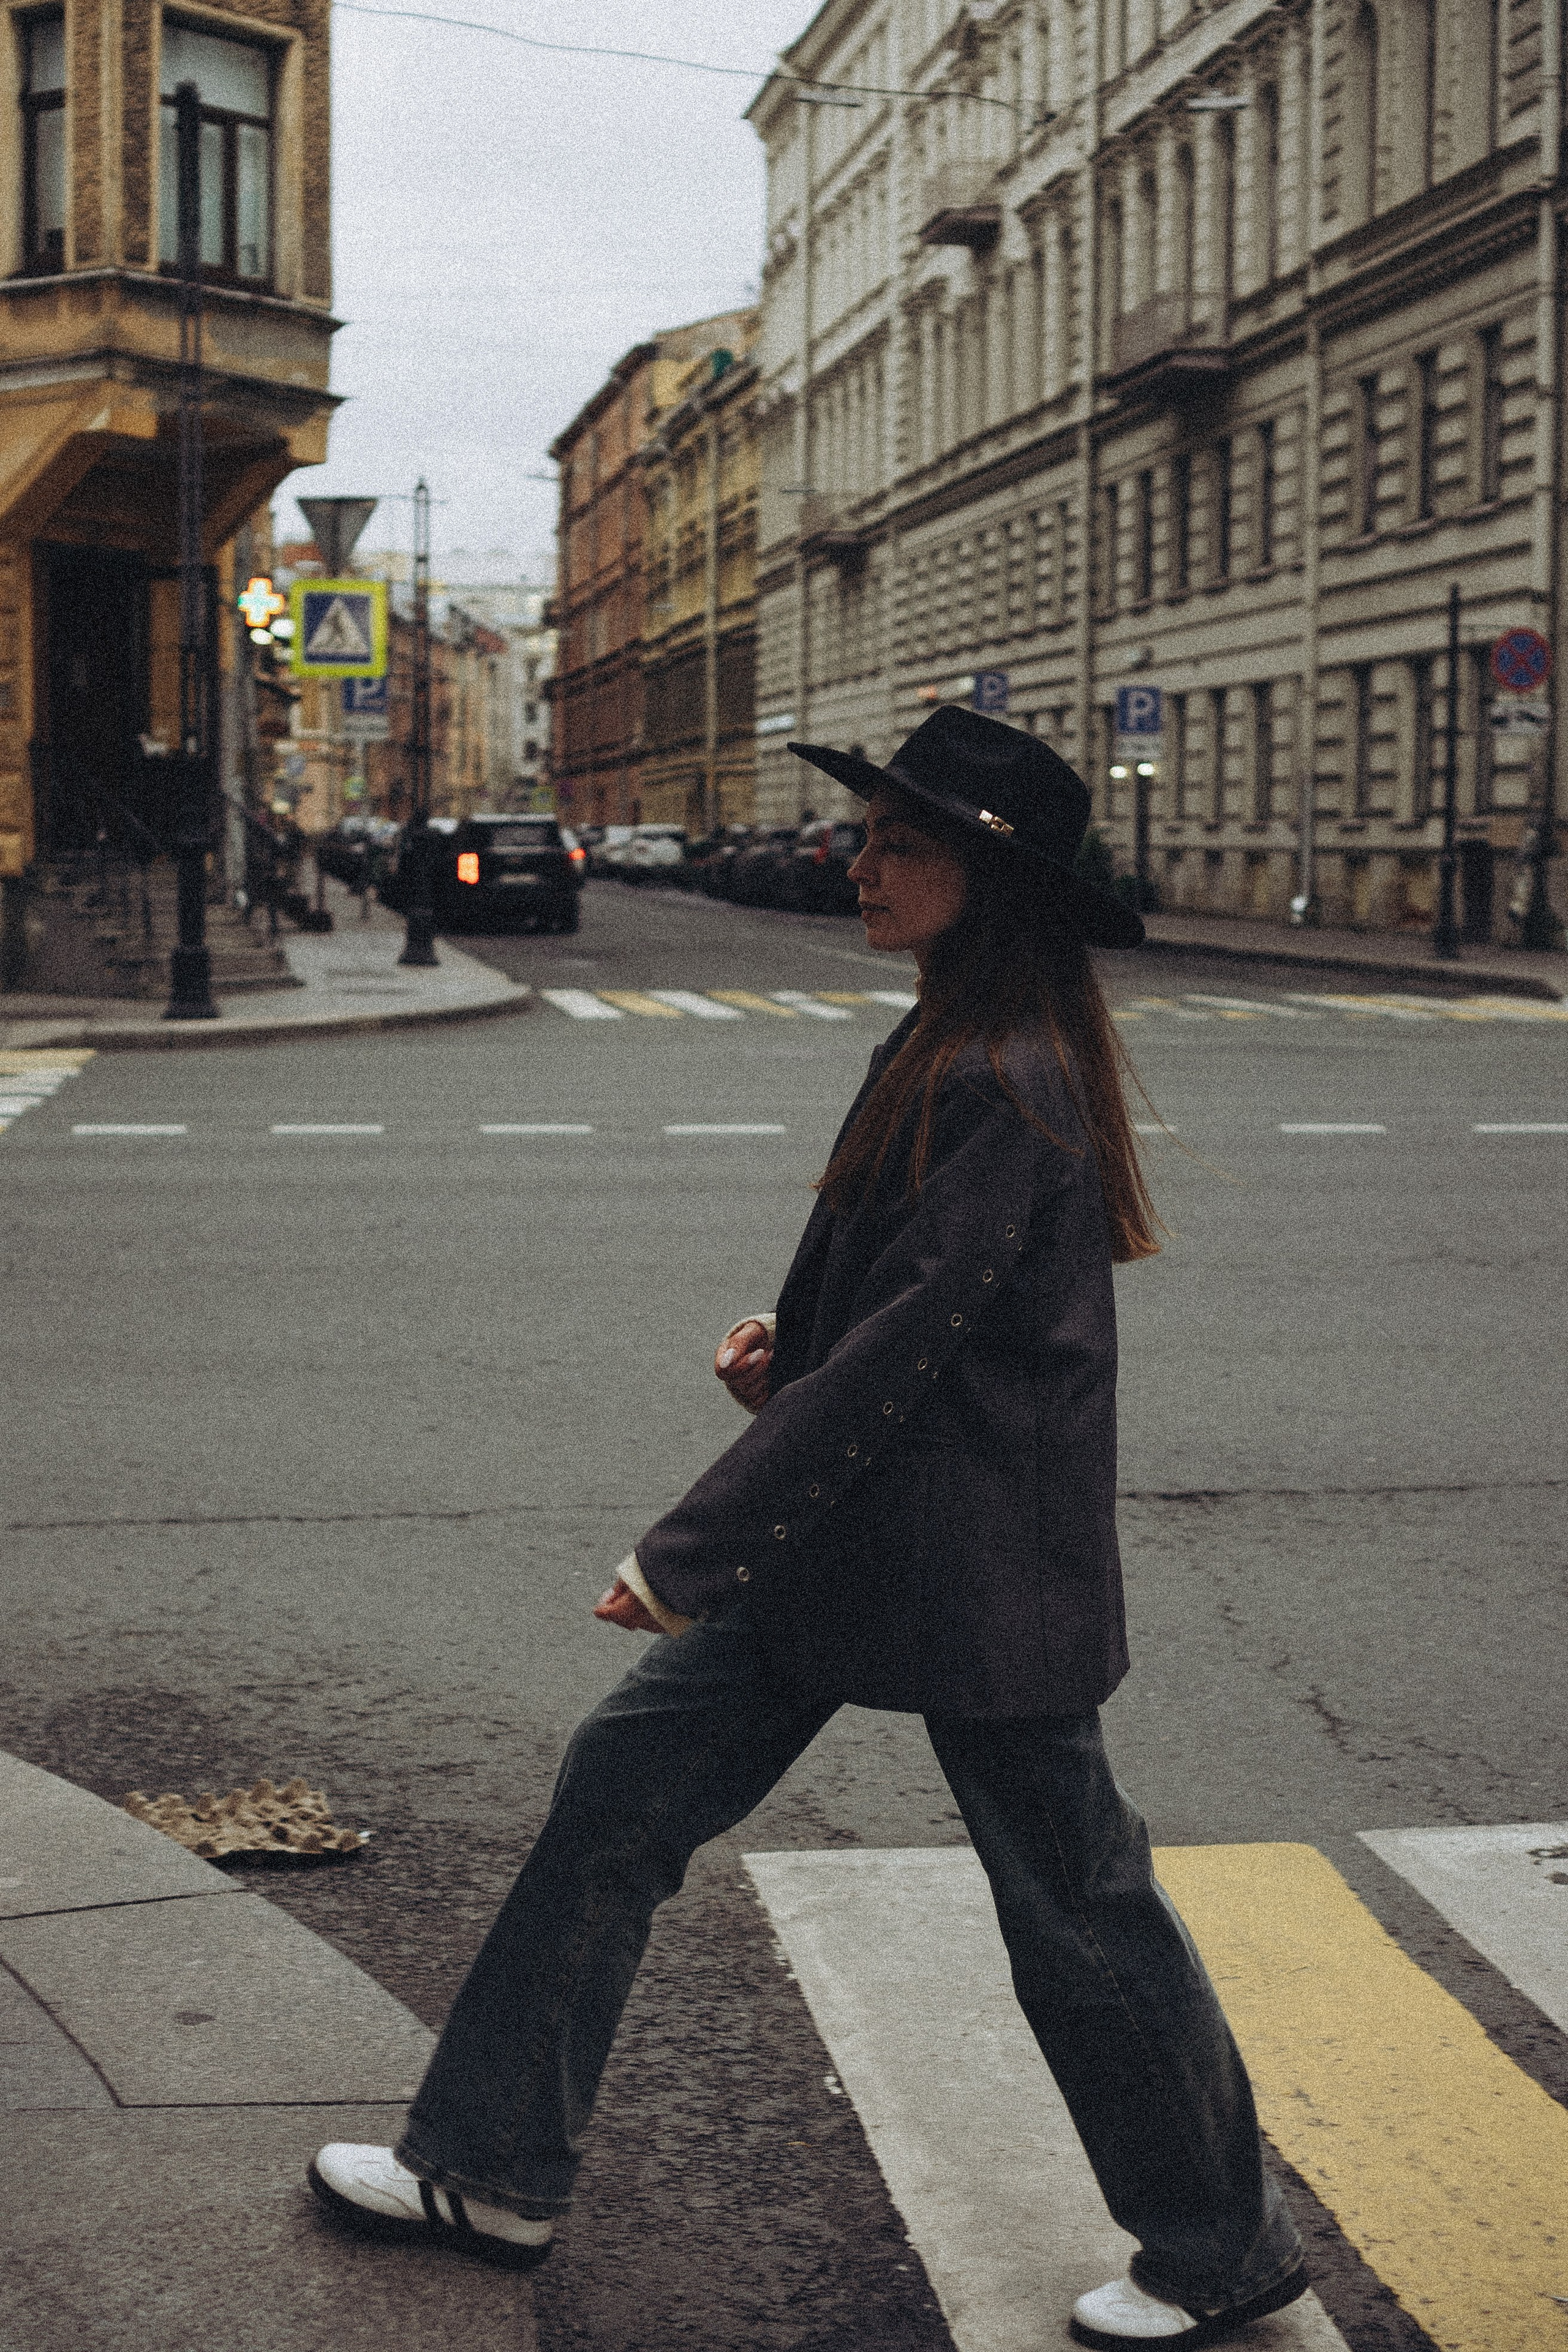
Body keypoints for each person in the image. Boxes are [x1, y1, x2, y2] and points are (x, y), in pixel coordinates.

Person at [307, 709, 1310, 2348]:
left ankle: (1218, 2247)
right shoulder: (953, 1040)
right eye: (870, 833)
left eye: (901, 843)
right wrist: (797, 1354)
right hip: (874, 1540)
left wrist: (684, 1554)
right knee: (620, 1789)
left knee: (1078, 1904)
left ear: (988, 880)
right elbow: (912, 1313)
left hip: (973, 1564)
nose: (862, 863)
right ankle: (489, 2168)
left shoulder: (1005, 1072)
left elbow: (918, 1342)